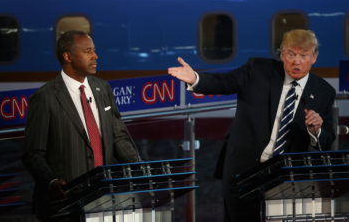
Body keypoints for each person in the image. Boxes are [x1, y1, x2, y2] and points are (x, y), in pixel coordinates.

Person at [168, 29, 336, 221]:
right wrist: (196, 79)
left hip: (287, 180)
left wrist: (316, 130)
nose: (296, 61)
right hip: (244, 172)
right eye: (291, 54)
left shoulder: (323, 92)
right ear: (282, 54)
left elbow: (327, 140)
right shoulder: (258, 70)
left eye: (303, 55)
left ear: (314, 57)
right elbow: (223, 82)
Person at [23, 31, 141, 221]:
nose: (95, 56)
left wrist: (140, 170)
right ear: (68, 56)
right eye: (88, 51)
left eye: (94, 51)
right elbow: (32, 153)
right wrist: (51, 181)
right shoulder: (45, 97)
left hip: (103, 199)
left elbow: (118, 137)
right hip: (65, 205)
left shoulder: (103, 88)